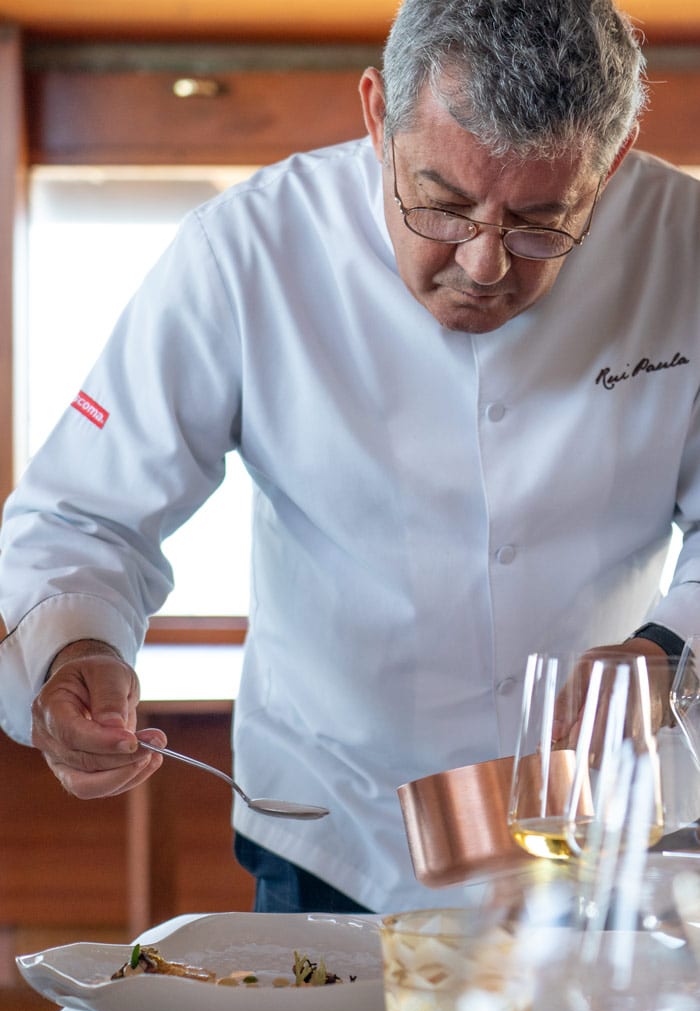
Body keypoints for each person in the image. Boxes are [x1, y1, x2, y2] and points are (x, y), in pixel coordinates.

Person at [1, 0, 699, 915]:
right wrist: (74, 652)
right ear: (378, 114)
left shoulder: (685, 243)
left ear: (607, 161)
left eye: (541, 222)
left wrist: (671, 646)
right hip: (335, 832)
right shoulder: (246, 251)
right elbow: (82, 515)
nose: (485, 264)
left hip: (616, 821)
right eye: (442, 204)